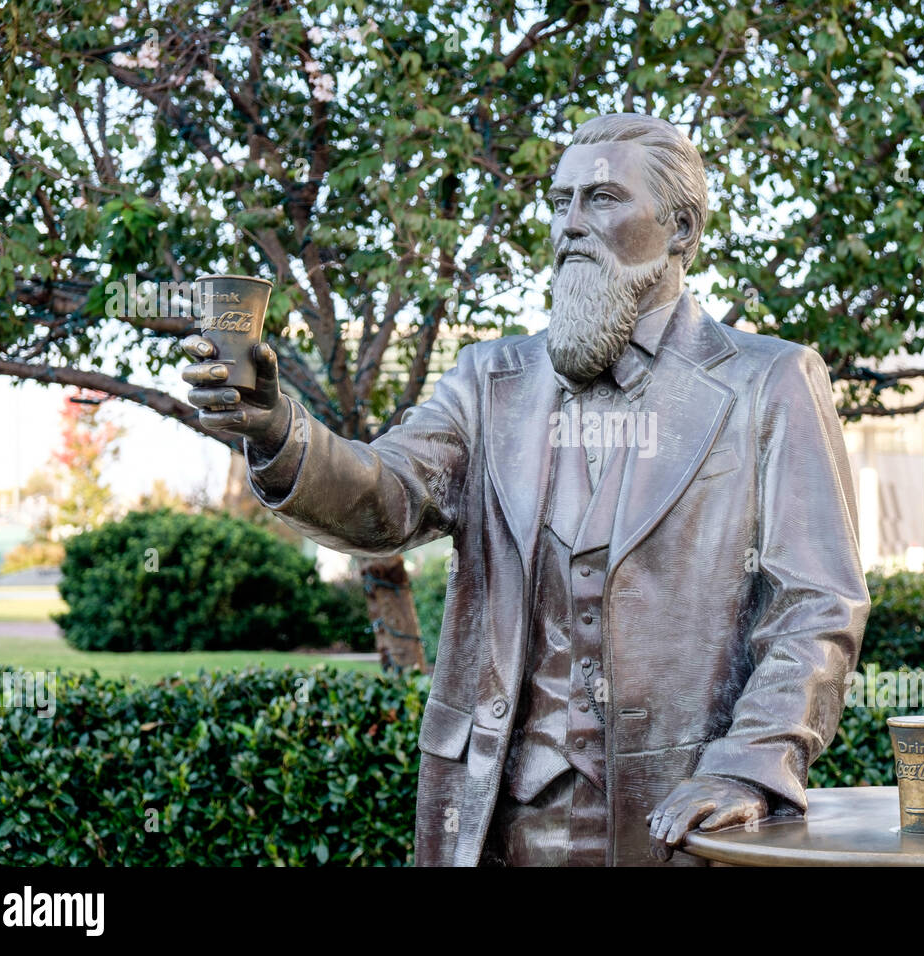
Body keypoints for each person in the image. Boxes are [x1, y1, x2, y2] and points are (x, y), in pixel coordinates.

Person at [182, 113, 869, 866]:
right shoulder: (489, 381)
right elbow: (386, 497)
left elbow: (816, 604)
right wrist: (281, 434)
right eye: (558, 200)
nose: (569, 224)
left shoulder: (768, 382)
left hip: (681, 827)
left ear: (680, 229)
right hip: (502, 826)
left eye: (601, 198)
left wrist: (748, 765)